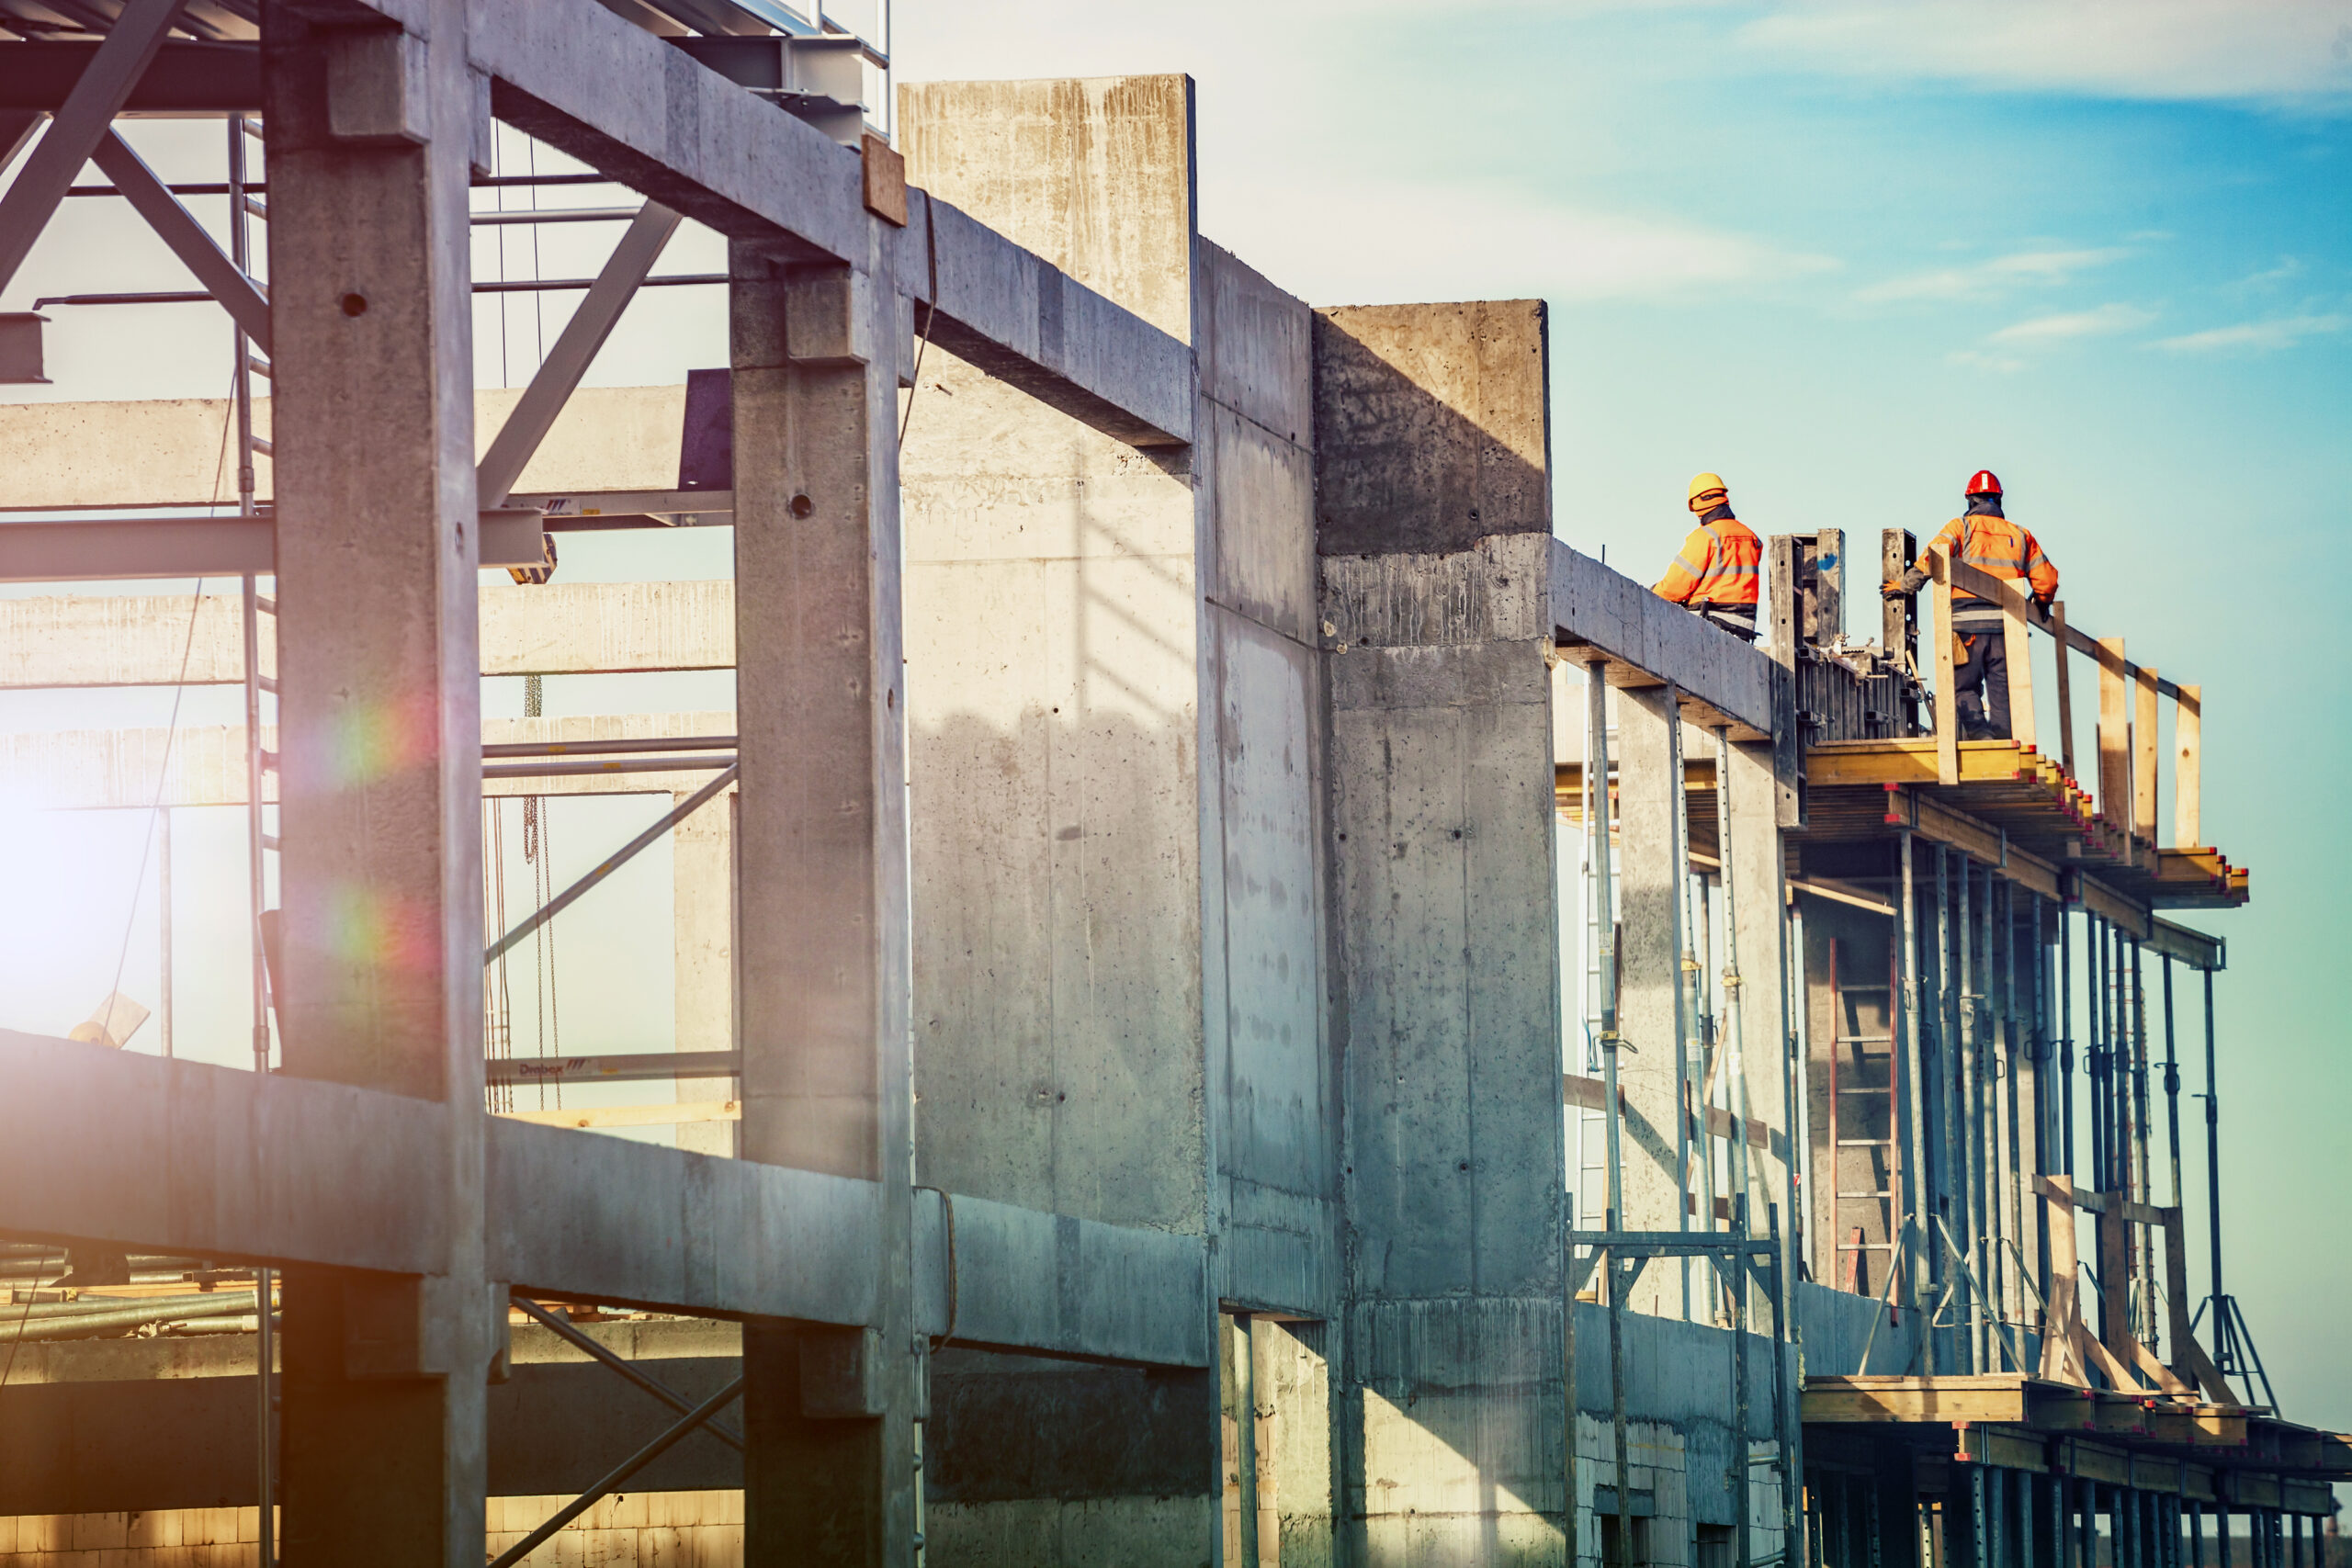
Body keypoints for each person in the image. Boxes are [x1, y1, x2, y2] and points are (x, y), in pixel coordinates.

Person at [1884, 470, 2058, 740]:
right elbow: (2046, 580)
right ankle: (2003, 745)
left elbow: (1934, 557)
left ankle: (1980, 736)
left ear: (1970, 500)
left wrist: (1906, 585)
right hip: (2006, 629)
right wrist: (2042, 603)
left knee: (1963, 688)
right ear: (1999, 500)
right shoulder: (2021, 535)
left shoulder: (1961, 528)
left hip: (1967, 627)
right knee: (2003, 692)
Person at [1653, 472, 1762, 641]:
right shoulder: (1751, 537)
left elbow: (1676, 587)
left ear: (1695, 503)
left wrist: (1652, 592)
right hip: (1744, 625)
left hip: (1710, 621)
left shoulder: (1705, 536)